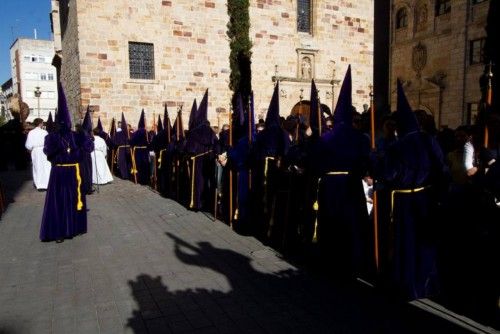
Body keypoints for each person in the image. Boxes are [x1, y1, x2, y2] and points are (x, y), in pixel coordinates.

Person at [40, 81, 91, 242]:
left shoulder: (75, 136)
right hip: (61, 174)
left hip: (71, 173)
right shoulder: (53, 138)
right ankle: (60, 231)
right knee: (60, 202)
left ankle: (74, 227)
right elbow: (48, 152)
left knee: (73, 200)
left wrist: (83, 139)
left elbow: (87, 148)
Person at [25, 118, 51, 190]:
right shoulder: (44, 132)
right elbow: (48, 142)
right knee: (45, 167)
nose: (43, 124)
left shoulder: (31, 133)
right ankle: (46, 184)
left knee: (37, 167)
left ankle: (39, 184)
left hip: (35, 151)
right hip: (44, 150)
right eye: (42, 123)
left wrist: (30, 149)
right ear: (40, 124)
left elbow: (28, 144)